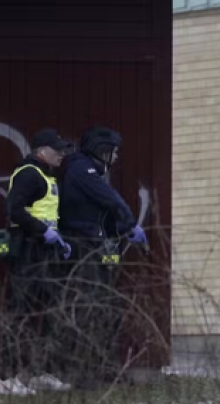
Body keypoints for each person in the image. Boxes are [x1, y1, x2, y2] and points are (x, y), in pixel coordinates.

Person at [57, 126, 147, 388]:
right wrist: (130, 223)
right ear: (102, 150)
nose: (116, 157)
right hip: (82, 248)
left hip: (93, 245)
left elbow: (99, 217)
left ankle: (106, 369)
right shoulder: (81, 169)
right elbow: (110, 199)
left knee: (107, 309)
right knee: (91, 310)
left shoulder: (89, 172)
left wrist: (122, 231)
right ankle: (88, 373)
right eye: (114, 152)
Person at [0, 128, 74, 395]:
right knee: (19, 314)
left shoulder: (45, 175)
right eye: (57, 149)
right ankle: (6, 379)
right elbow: (13, 209)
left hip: (44, 253)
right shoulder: (29, 174)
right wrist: (44, 232)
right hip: (28, 252)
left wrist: (58, 240)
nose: (62, 154)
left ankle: (40, 372)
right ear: (41, 151)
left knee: (48, 314)